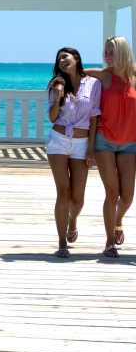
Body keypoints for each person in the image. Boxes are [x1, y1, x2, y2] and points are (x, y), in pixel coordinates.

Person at [46, 48, 101, 258]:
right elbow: (52, 117)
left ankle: (72, 220)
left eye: (65, 57)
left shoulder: (93, 84)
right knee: (64, 192)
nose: (61, 60)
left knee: (77, 197)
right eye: (59, 58)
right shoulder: (56, 85)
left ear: (76, 59)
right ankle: (62, 243)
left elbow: (95, 116)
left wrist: (91, 149)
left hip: (81, 142)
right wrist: (59, 98)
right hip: (58, 141)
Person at [84, 36, 136, 258]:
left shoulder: (134, 76)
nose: (107, 56)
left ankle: (117, 221)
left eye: (112, 52)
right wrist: (58, 84)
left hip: (129, 142)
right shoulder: (102, 76)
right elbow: (72, 73)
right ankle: (109, 243)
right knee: (112, 193)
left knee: (127, 197)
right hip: (104, 140)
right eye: (105, 52)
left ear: (123, 53)